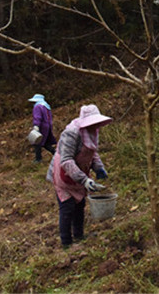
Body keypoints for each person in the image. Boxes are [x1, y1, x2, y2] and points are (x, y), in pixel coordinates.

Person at [46, 104, 112, 248]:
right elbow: (66, 160)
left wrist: (99, 168)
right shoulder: (71, 133)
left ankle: (79, 235)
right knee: (67, 206)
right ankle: (66, 242)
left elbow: (92, 153)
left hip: (79, 172)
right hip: (64, 173)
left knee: (80, 204)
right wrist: (84, 179)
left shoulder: (93, 132)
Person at [28, 94, 56, 163]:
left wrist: (36, 126)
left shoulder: (37, 107)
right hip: (48, 126)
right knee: (45, 142)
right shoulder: (46, 106)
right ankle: (56, 154)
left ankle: (38, 159)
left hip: (42, 126)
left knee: (37, 142)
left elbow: (38, 117)